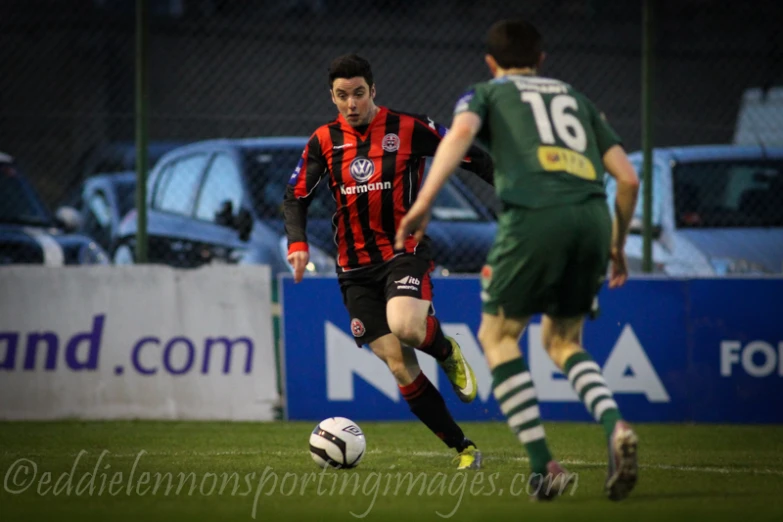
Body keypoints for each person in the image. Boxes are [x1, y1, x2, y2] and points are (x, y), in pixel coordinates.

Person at [396, 19, 641, 501]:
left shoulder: (486, 94)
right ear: (542, 59)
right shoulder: (577, 99)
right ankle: (616, 426)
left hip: (533, 217)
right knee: (564, 341)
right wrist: (615, 244)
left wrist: (424, 201)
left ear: (491, 62)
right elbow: (628, 180)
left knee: (498, 335)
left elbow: (460, 135)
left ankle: (541, 464)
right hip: (592, 219)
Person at [283, 53, 495, 470]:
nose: (351, 104)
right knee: (398, 364)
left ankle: (445, 348)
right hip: (354, 271)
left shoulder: (410, 128)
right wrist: (297, 243)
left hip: (402, 251)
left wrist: (516, 189)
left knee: (407, 327)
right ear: (332, 96)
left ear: (373, 91)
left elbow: (467, 152)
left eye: (359, 93)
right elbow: (296, 195)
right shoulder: (323, 140)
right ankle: (464, 447)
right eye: (342, 96)